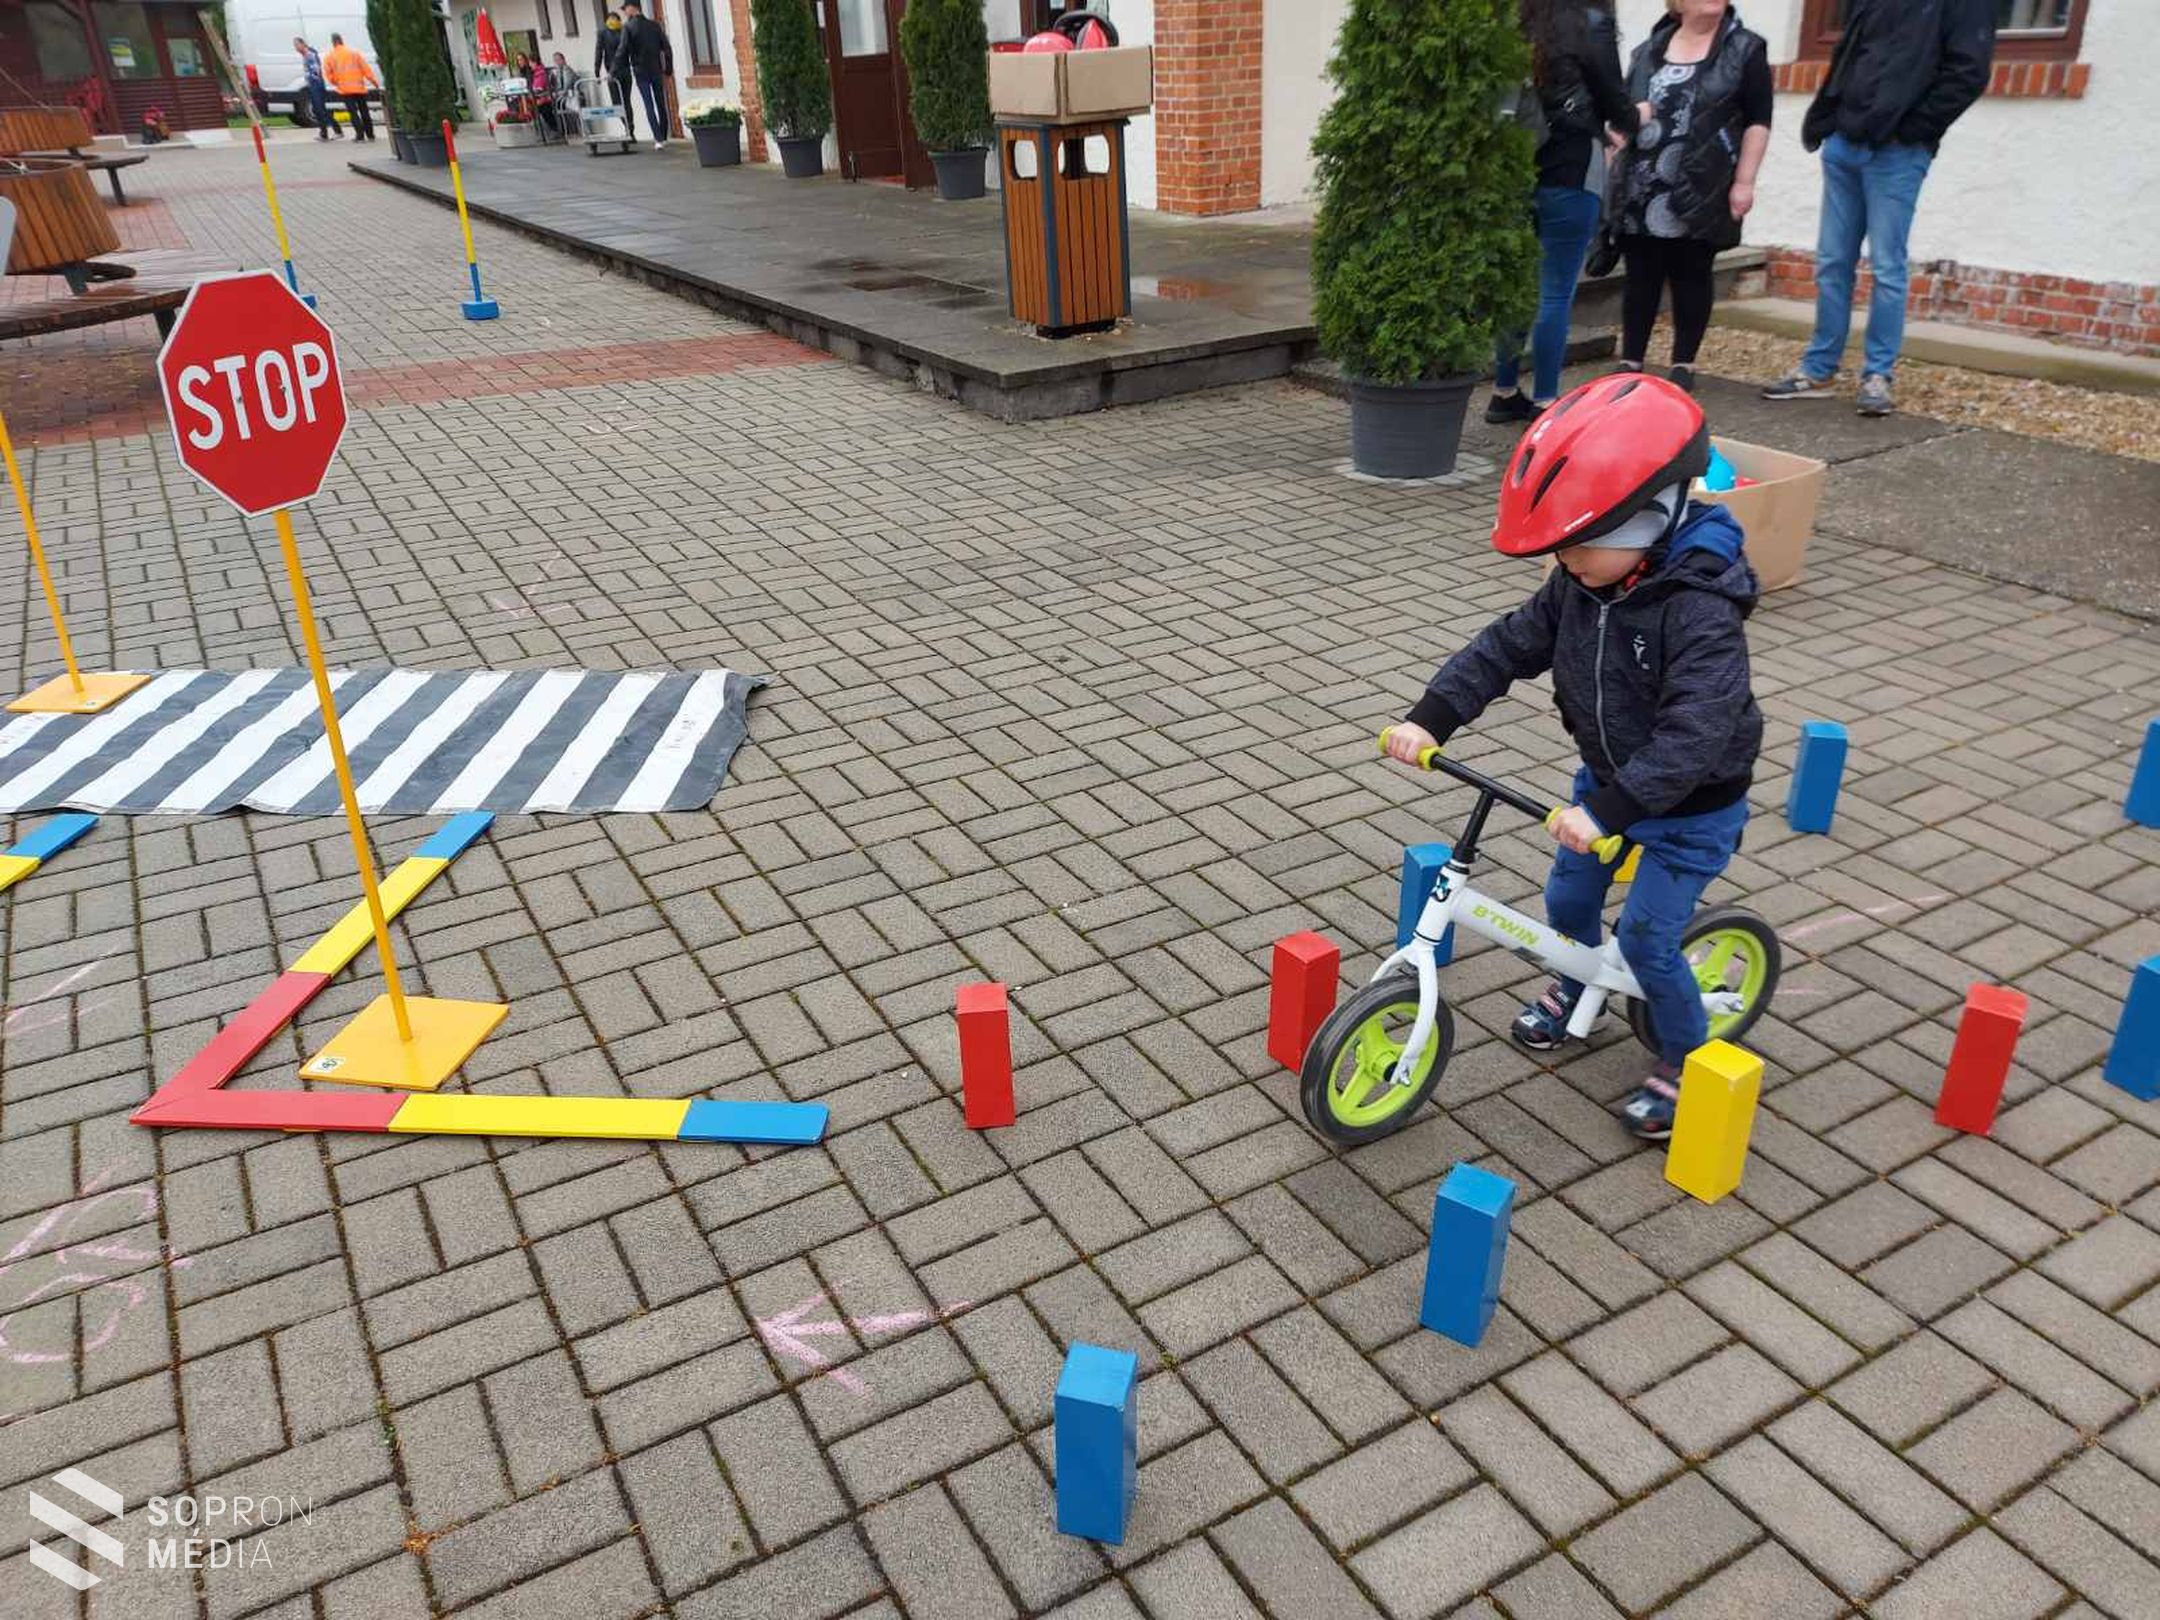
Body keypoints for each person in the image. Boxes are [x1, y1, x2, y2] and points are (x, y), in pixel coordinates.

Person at [1385, 373, 1762, 1141]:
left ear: (1650, 519)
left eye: (1580, 544)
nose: (1566, 560)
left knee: (1651, 941)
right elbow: (1504, 648)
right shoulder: (1579, 586)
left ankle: (1686, 1059)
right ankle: (1571, 985)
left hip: (1689, 810)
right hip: (1606, 787)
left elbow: (1696, 732)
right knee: (1566, 909)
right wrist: (1433, 717)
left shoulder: (1699, 609)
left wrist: (1612, 812)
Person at [1763, 0, 1993, 417]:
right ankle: (1819, 369)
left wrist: (1912, 130)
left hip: (1897, 154)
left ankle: (1878, 375)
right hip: (1844, 145)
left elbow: (1969, 73)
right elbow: (1850, 56)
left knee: (1887, 267)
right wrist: (1828, 122)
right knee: (1832, 262)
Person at [1486, 2, 1641, 425]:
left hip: (1517, 169)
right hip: (1570, 167)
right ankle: (1546, 401)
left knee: (1518, 285)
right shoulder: (1590, 23)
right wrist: (1634, 120)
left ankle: (1504, 392)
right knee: (1555, 290)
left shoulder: (1512, 19)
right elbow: (1614, 97)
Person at [1609, 0, 1771, 393]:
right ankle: (1631, 359)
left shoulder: (1746, 48)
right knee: (1641, 274)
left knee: (1693, 272)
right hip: (1644, 181)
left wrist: (1744, 181)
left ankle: (1684, 363)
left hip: (1705, 180)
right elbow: (1625, 112)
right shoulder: (1648, 49)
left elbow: (1758, 120)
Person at [620, 0, 673, 151]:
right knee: (660, 102)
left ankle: (658, 138)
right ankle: (663, 135)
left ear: (632, 8)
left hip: (640, 71)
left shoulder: (628, 27)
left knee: (648, 104)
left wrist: (614, 70)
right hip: (656, 69)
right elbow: (666, 48)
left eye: (625, 9)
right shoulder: (655, 25)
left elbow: (622, 51)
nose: (625, 12)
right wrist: (668, 70)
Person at [322, 32, 378, 143]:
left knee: (353, 113)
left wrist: (337, 83)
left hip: (345, 90)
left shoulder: (329, 57)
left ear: (333, 43)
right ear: (342, 40)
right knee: (364, 111)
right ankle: (370, 135)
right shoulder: (354, 53)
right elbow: (366, 69)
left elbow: (329, 74)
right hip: (359, 87)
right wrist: (374, 83)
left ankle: (360, 135)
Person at [596, 10, 636, 141]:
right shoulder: (624, 30)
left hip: (613, 73)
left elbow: (599, 52)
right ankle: (630, 128)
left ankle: (628, 127)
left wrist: (597, 71)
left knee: (617, 102)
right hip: (625, 70)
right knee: (626, 101)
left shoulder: (603, 32)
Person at [294, 36, 333, 140]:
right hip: (314, 84)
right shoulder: (306, 54)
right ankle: (326, 133)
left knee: (319, 109)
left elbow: (316, 70)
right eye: (295, 46)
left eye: (297, 45)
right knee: (319, 109)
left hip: (316, 84)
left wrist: (312, 82)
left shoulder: (309, 54)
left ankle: (329, 132)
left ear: (303, 44)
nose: (296, 48)